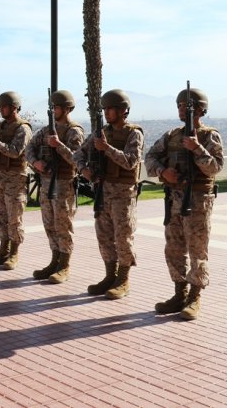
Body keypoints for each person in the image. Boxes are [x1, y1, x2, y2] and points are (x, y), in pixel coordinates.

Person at [145, 87, 223, 320]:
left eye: (186, 106)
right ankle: (180, 293)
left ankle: (195, 296)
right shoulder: (171, 136)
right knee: (174, 248)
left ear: (201, 110)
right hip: (174, 199)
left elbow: (215, 167)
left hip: (198, 201)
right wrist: (163, 172)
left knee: (197, 249)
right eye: (179, 105)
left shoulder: (209, 136)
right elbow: (150, 157)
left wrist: (197, 148)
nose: (181, 109)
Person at [74, 89, 144, 300]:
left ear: (123, 110)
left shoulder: (134, 133)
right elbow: (79, 152)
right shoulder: (100, 132)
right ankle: (109, 276)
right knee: (104, 237)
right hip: (103, 192)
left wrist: (107, 148)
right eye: (105, 109)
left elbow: (131, 161)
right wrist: (82, 169)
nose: (107, 112)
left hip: (123, 194)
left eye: (110, 109)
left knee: (123, 237)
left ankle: (123, 279)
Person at [25, 90, 84, 283]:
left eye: (57, 107)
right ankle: (55, 260)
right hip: (46, 183)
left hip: (64, 184)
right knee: (49, 224)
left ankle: (64, 265)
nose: (53, 111)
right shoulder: (45, 131)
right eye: (52, 107)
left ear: (67, 109)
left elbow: (77, 159)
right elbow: (29, 148)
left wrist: (58, 145)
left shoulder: (74, 131)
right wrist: (36, 163)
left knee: (63, 225)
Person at [0, 91, 33, 270]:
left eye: (4, 106)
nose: (1, 110)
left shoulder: (23, 128)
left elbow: (15, 151)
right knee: (0, 215)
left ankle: (14, 253)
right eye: (0, 106)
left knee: (14, 217)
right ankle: (3, 250)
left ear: (14, 107)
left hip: (15, 178)